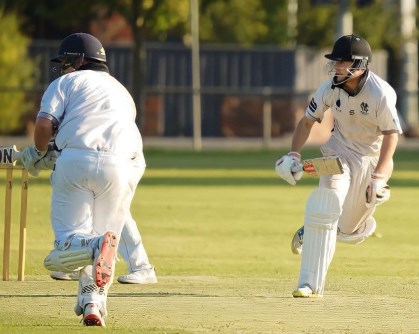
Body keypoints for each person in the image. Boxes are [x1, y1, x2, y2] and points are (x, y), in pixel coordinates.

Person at [21, 32, 152, 326]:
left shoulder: (65, 82)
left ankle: (92, 250)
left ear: (79, 60)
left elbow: (44, 124)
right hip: (120, 166)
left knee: (60, 255)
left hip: (76, 162)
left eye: (66, 61)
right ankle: (93, 304)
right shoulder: (122, 91)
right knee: (105, 241)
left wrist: (40, 152)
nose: (62, 67)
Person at [275, 34, 402, 298]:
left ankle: (315, 231)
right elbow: (307, 122)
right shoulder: (329, 88)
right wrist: (293, 155)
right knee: (327, 203)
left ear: (360, 64)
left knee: (348, 231)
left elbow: (391, 135)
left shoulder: (380, 93)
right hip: (339, 153)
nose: (336, 67)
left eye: (342, 62)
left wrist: (379, 177)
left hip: (369, 159)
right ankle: (309, 284)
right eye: (335, 62)